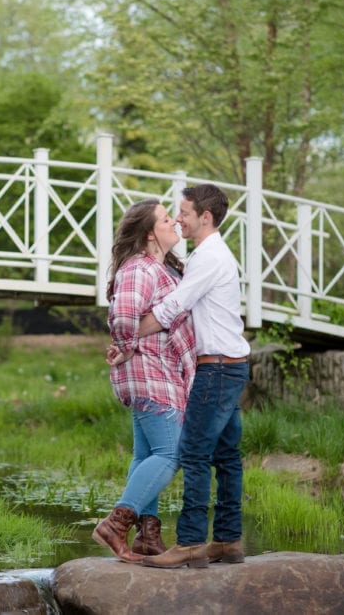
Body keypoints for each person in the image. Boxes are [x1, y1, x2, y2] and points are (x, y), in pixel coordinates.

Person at [124, 184, 251, 569]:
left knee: (194, 453)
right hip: (230, 365)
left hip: (217, 368)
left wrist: (128, 334)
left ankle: (192, 542)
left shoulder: (209, 258)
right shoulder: (208, 254)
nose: (179, 219)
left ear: (205, 217)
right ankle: (228, 541)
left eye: (184, 212)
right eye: (175, 213)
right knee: (227, 456)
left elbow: (173, 308)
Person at [91, 199, 197, 563]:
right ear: (151, 233)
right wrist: (124, 346)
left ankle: (148, 536)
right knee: (172, 453)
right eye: (167, 219)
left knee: (147, 456)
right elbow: (122, 315)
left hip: (154, 372)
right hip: (151, 373)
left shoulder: (159, 267)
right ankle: (115, 525)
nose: (174, 223)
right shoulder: (141, 267)